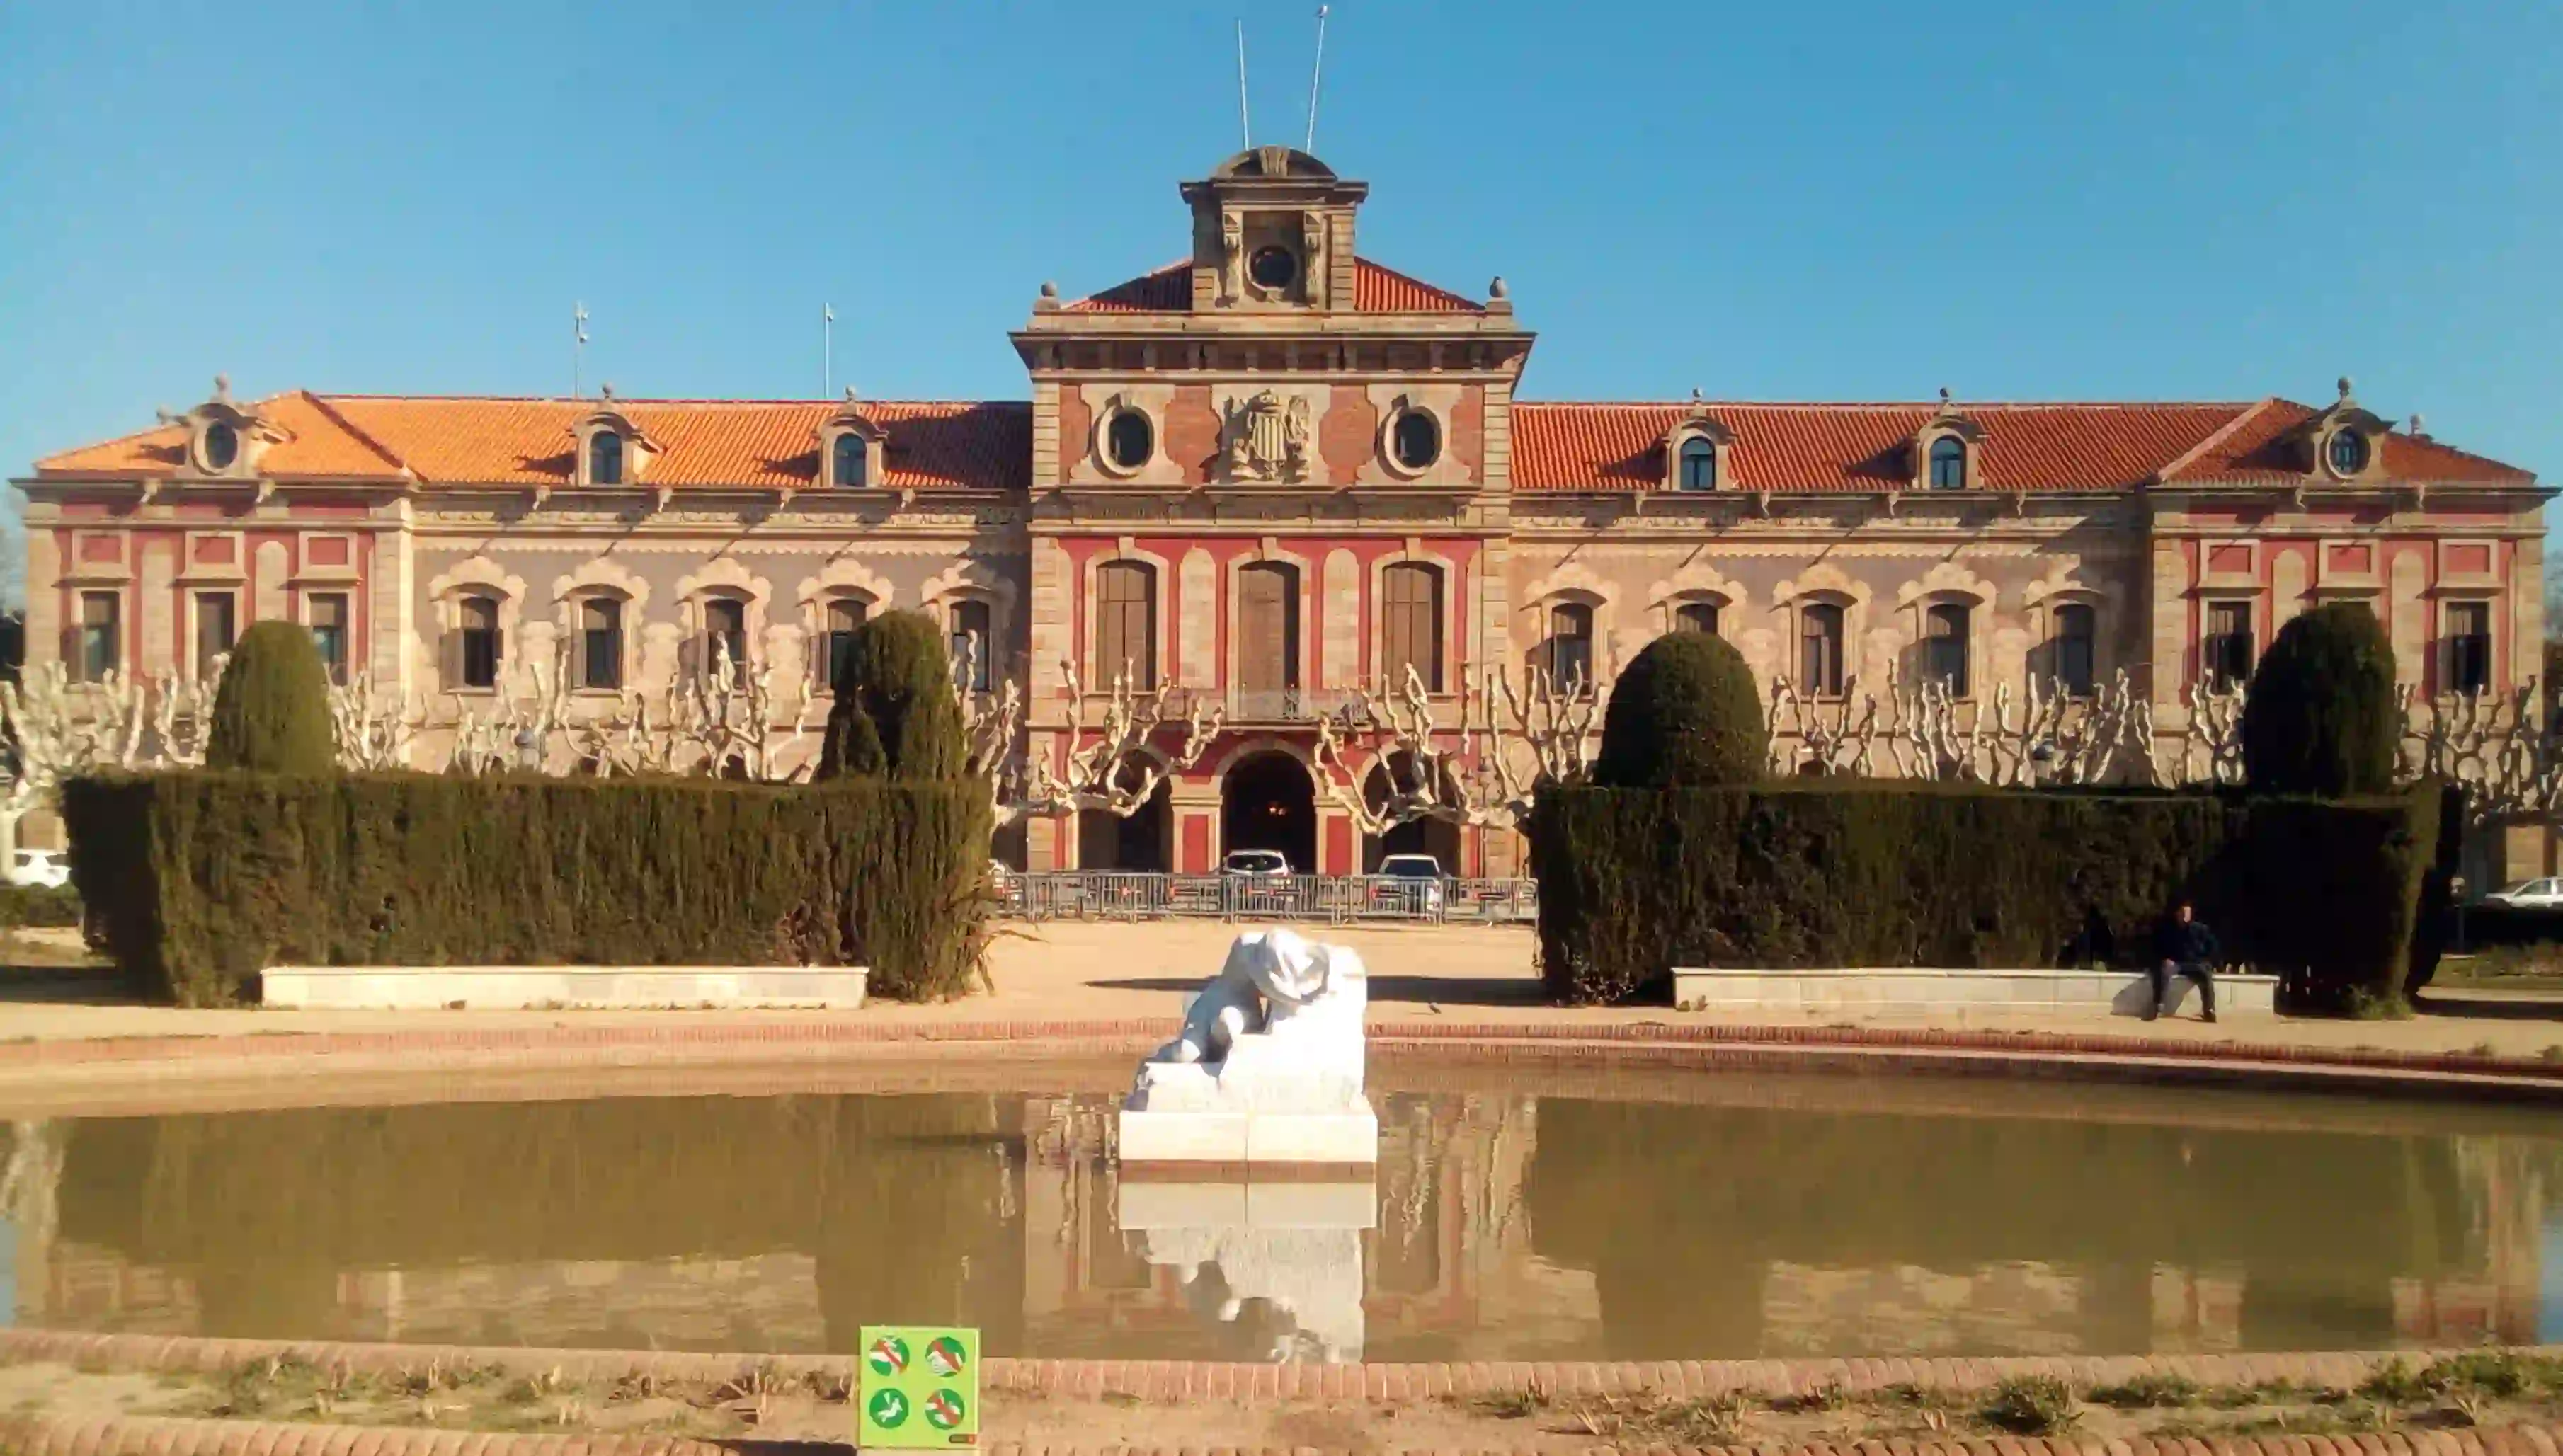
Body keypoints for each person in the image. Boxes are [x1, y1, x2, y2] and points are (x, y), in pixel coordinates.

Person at [2150, 900, 2220, 1023]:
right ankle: (2158, 1006)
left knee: (2205, 975)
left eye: (2187, 913)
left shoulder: (2200, 929)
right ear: (2177, 914)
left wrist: (2209, 962)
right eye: (2182, 913)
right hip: (2177, 964)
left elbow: (2213, 946)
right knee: (2164, 970)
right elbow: (2159, 947)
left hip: (2195, 964)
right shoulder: (2169, 930)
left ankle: (2209, 1010)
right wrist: (2165, 959)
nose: (2184, 916)